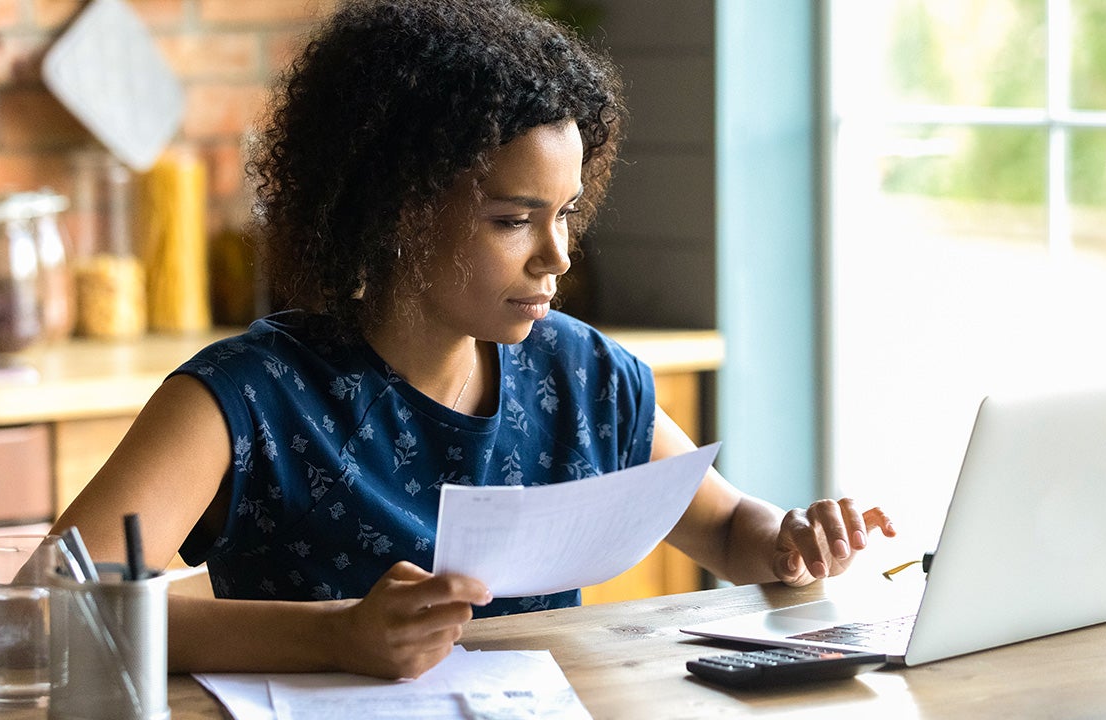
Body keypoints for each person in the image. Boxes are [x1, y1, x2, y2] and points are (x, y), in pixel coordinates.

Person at [50, 0, 895, 680]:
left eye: (565, 215)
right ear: (396, 212)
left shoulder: (582, 374)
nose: (557, 254)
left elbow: (722, 528)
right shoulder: (250, 395)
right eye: (511, 220)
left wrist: (791, 540)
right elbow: (59, 603)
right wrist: (336, 637)